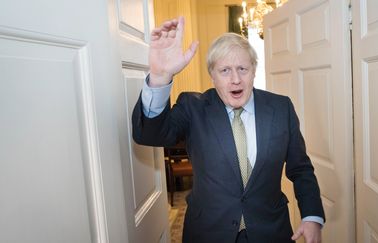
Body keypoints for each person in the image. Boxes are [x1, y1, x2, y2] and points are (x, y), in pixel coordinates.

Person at [132, 16, 325, 243]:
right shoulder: (192, 107)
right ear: (212, 75)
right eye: (224, 70)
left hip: (271, 231)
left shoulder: (281, 108)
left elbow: (301, 169)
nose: (235, 79)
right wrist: (160, 76)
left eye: (243, 68)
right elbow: (149, 134)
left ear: (254, 70)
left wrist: (312, 216)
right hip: (209, 232)